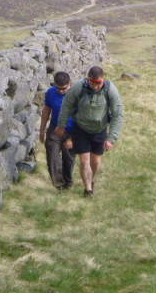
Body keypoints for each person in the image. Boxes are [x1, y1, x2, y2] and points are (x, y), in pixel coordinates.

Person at [55, 66, 123, 198]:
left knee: (96, 161)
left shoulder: (110, 90)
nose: (95, 87)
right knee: (84, 161)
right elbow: (66, 105)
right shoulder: (78, 87)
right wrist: (61, 125)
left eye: (98, 84)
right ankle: (88, 190)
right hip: (81, 129)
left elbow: (117, 114)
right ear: (88, 80)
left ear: (103, 80)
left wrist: (111, 138)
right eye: (92, 84)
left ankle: (91, 180)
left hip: (100, 129)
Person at [39, 71, 76, 190]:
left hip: (72, 131)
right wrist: (42, 130)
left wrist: (72, 138)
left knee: (68, 159)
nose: (61, 91)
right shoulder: (50, 92)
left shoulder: (77, 94)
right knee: (53, 157)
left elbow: (82, 117)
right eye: (58, 88)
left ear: (69, 83)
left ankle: (68, 182)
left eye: (64, 88)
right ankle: (59, 185)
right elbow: (46, 110)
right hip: (54, 129)